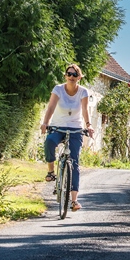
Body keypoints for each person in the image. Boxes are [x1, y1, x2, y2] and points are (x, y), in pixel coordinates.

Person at [40, 63, 94, 212]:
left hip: (75, 129)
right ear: (65, 76)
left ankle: (74, 201)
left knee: (75, 162)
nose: (71, 77)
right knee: (50, 141)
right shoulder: (58, 89)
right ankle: (51, 172)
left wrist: (88, 125)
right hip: (58, 127)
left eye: (74, 75)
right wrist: (45, 123)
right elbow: (51, 107)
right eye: (69, 74)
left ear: (79, 77)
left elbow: (84, 110)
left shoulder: (83, 92)